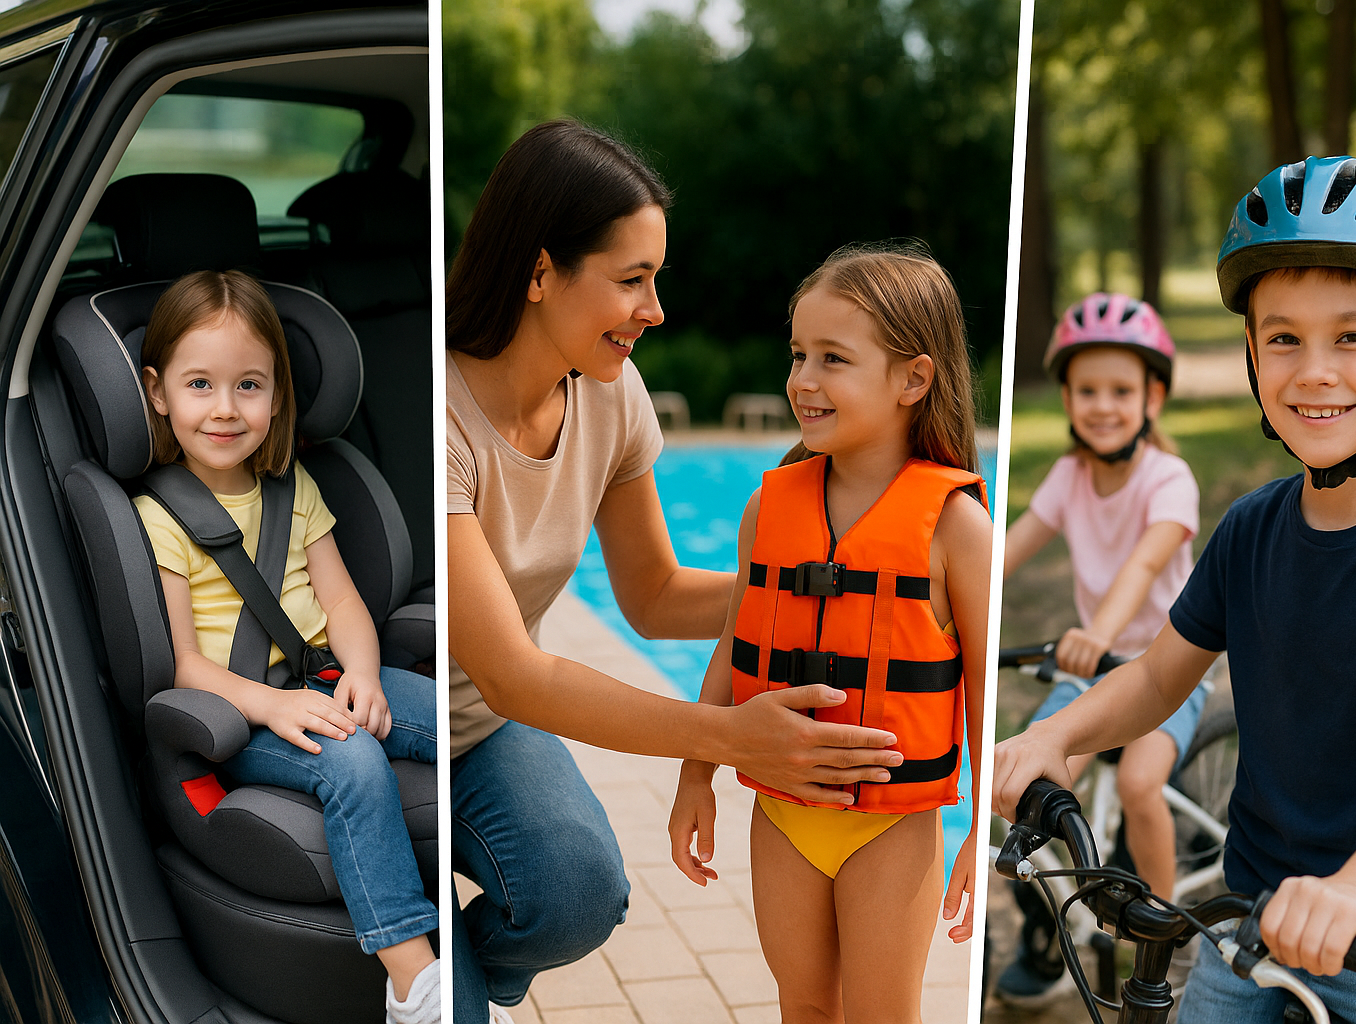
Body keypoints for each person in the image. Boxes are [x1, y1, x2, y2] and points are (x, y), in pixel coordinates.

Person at [993, 156, 1356, 1023]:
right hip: (1247, 925)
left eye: (1352, 337)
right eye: (1284, 338)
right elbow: (1160, 676)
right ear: (1252, 355)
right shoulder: (1250, 529)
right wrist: (1055, 734)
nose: (1313, 371)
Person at [445, 120, 905, 1023]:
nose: (656, 309)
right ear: (540, 274)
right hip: (402, 714)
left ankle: (436, 972)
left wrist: (835, 589)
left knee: (579, 893)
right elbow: (514, 672)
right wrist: (726, 738)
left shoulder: (612, 392)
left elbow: (653, 596)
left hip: (485, 729)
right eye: (632, 280)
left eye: (654, 279)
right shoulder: (446, 420)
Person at [668, 243, 992, 1023]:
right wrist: (693, 776)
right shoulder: (767, 507)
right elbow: (731, 649)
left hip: (889, 829)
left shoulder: (957, 527)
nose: (803, 381)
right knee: (805, 1009)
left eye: (834, 359)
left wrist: (983, 827)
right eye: (798, 354)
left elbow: (981, 689)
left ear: (914, 378)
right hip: (782, 816)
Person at [133, 270, 439, 1023]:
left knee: (450, 712)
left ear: (277, 397)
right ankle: (414, 980)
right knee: (352, 758)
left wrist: (364, 675)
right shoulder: (157, 515)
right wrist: (274, 706)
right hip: (242, 714)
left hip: (326, 675)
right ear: (158, 392)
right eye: (200, 384)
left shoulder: (292, 485)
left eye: (250, 386)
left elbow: (340, 600)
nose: (226, 408)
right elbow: (185, 661)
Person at [995, 293, 1205, 1004]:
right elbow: (1010, 546)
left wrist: (1101, 637)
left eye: (1121, 390)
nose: (1104, 406)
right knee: (1022, 783)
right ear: (1066, 397)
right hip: (1091, 672)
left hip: (1164, 668)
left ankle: (1162, 930)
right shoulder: (1069, 475)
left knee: (1143, 783)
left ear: (1154, 397)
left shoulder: (1169, 479)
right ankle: (1048, 928)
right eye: (1088, 390)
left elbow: (1145, 565)